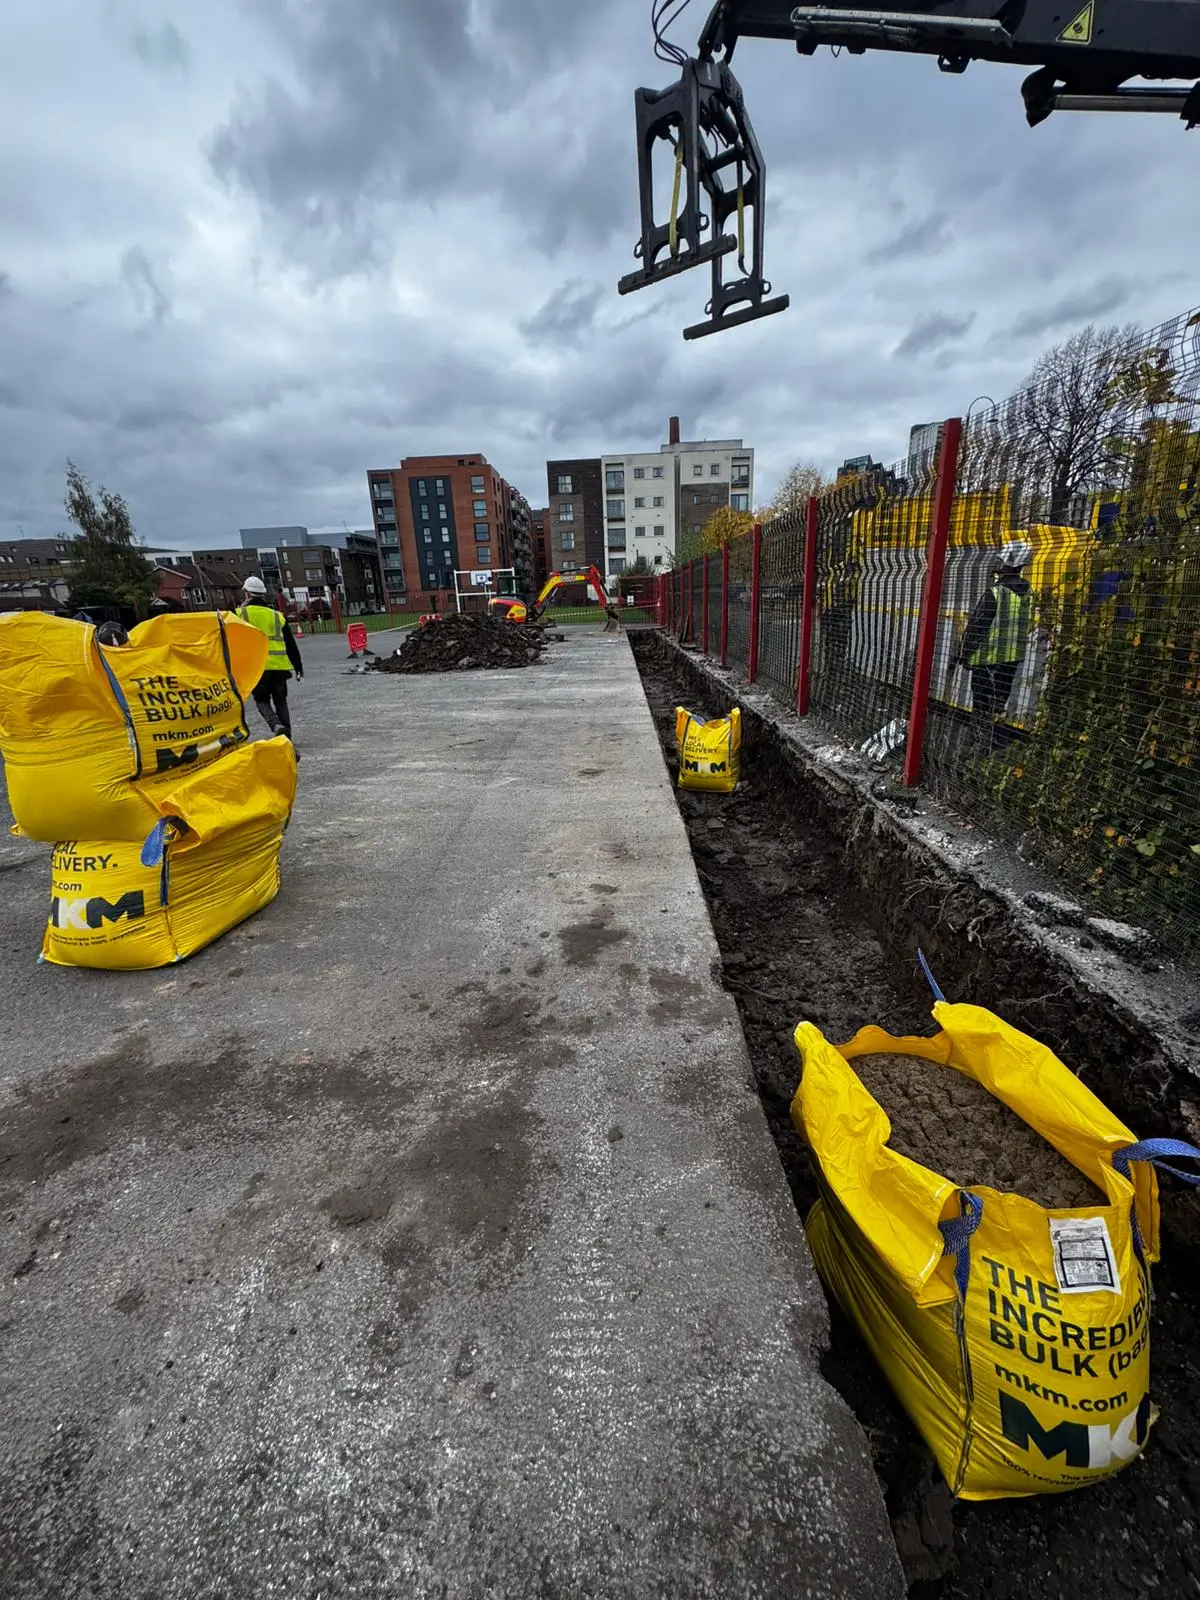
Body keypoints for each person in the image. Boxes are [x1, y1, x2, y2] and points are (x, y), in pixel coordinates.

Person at [952, 540, 1033, 744]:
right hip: (1012, 660)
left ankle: (981, 744)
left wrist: (961, 654)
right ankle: (995, 743)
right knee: (998, 704)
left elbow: (976, 628)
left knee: (981, 705)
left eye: (1001, 561)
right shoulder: (1029, 595)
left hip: (986, 660)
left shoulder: (995, 594)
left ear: (1007, 563)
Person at [237, 576, 304, 741]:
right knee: (281, 700)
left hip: (257, 667)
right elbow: (290, 643)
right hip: (280, 667)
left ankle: (275, 724)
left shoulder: (238, 614)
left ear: (246, 593)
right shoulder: (276, 615)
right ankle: (286, 734)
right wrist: (298, 666)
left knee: (261, 700)